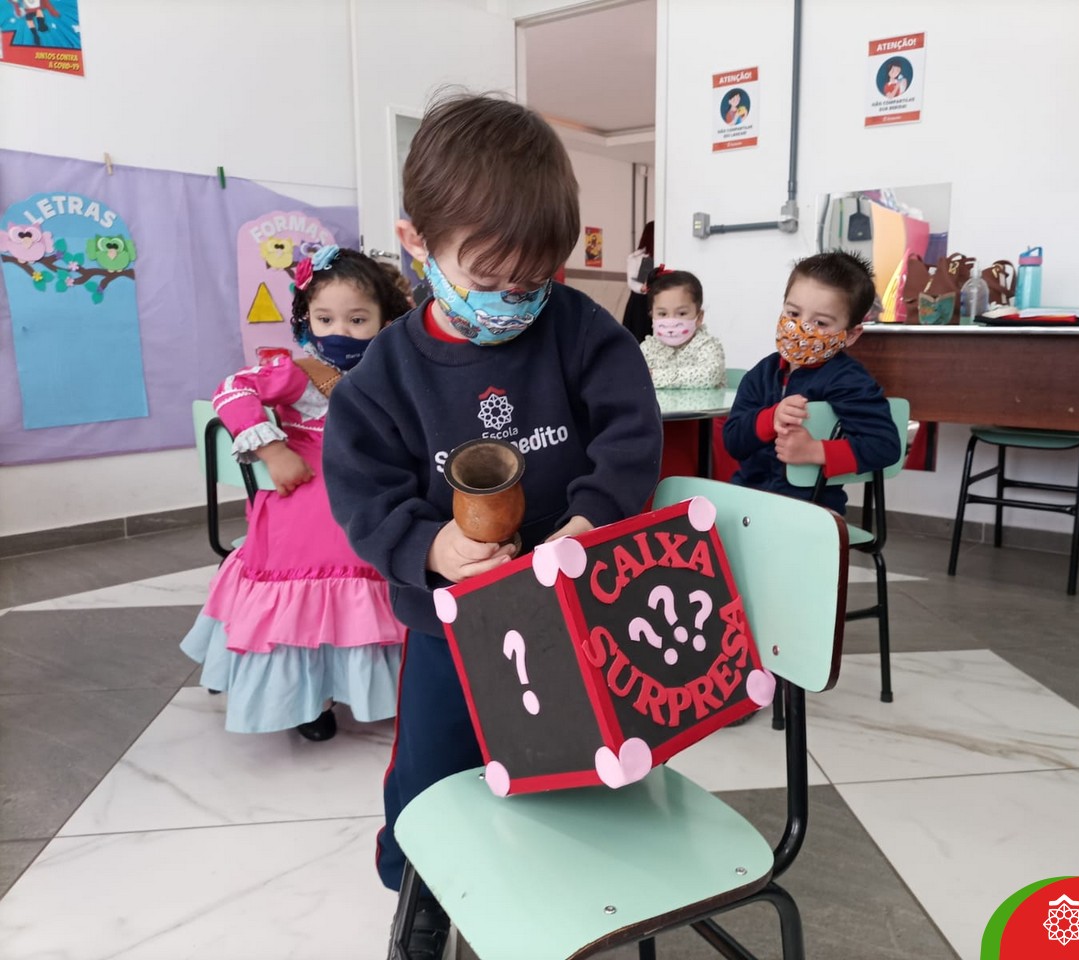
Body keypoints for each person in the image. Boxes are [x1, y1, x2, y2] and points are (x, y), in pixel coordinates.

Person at [322, 93, 664, 960]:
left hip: (572, 609)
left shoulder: (579, 331)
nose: (513, 302)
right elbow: (363, 493)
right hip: (448, 624)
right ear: (416, 242)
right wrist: (431, 547)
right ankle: (424, 891)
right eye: (488, 282)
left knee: (573, 761)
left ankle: (563, 881)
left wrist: (591, 519)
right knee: (432, 768)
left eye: (533, 283)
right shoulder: (383, 377)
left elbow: (631, 434)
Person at [181, 246, 407, 741]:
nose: (339, 331)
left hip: (374, 495)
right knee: (323, 542)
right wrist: (273, 448)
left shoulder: (394, 374)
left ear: (385, 321)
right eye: (325, 319)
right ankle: (309, 697)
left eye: (357, 319)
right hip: (306, 498)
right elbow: (232, 390)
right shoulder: (296, 373)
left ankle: (381, 688)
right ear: (307, 321)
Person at [723, 251, 901, 515]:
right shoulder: (761, 374)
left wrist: (814, 451)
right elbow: (733, 441)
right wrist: (770, 419)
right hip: (748, 500)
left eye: (820, 322)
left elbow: (884, 446)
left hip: (812, 510)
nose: (801, 328)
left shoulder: (849, 380)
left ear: (851, 335)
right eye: (793, 313)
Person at [640, 268, 725, 389]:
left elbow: (710, 375)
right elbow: (635, 378)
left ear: (699, 317)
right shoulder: (648, 348)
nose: (671, 322)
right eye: (662, 314)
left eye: (681, 313)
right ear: (652, 316)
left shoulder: (707, 345)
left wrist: (655, 376)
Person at [622, 220, 655, 342]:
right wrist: (642, 287)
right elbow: (631, 282)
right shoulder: (637, 257)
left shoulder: (664, 255)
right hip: (640, 303)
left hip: (657, 300)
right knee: (639, 337)